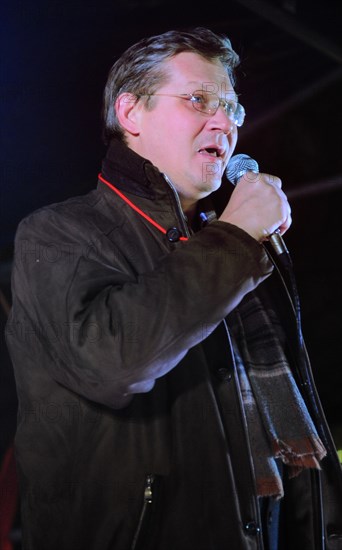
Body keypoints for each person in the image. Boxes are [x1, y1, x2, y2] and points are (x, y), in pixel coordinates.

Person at [5, 26, 342, 550]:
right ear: (130, 112)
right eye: (199, 99)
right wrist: (233, 239)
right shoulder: (59, 233)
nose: (223, 121)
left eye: (232, 108)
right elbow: (113, 360)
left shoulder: (225, 248)